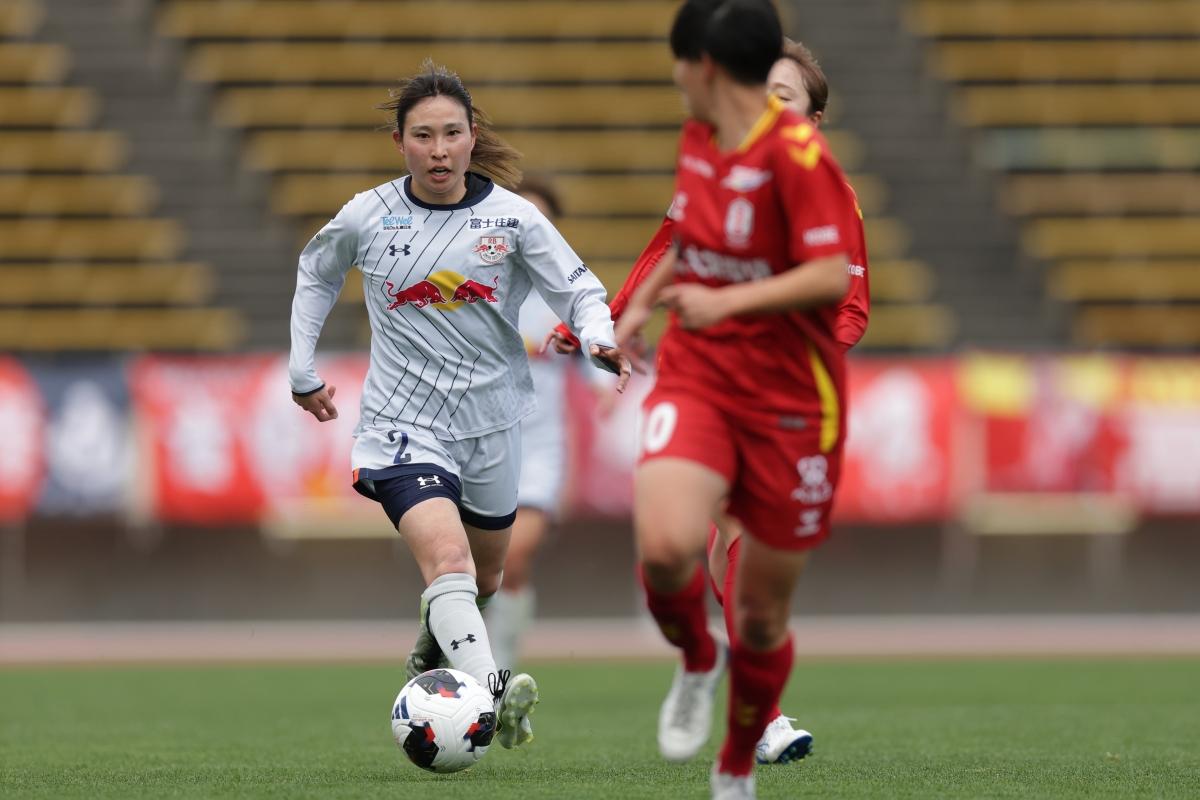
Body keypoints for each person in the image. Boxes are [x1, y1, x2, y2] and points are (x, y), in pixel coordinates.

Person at [546, 36, 870, 769]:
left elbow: (849, 305)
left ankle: (753, 721)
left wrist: (796, 356)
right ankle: (715, 669)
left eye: (785, 98)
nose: (765, 108)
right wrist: (608, 321)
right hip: (699, 379)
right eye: (759, 93)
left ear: (813, 121)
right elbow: (668, 248)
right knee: (677, 546)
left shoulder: (828, 195)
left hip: (780, 394)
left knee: (741, 556)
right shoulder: (710, 162)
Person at [288, 61, 631, 751]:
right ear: (400, 142)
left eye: (451, 134)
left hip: (493, 425)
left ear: (473, 136)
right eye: (423, 136)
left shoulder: (514, 218)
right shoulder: (369, 214)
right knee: (450, 561)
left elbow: (578, 289)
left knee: (487, 576)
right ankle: (492, 695)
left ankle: (431, 641)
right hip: (401, 426)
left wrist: (598, 335)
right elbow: (316, 272)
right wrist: (302, 369)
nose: (438, 150)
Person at [483, 175, 577, 672]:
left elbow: (599, 364)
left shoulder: (567, 298)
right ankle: (472, 657)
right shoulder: (474, 289)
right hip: (480, 444)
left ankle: (500, 665)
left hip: (541, 450)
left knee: (513, 559)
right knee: (477, 569)